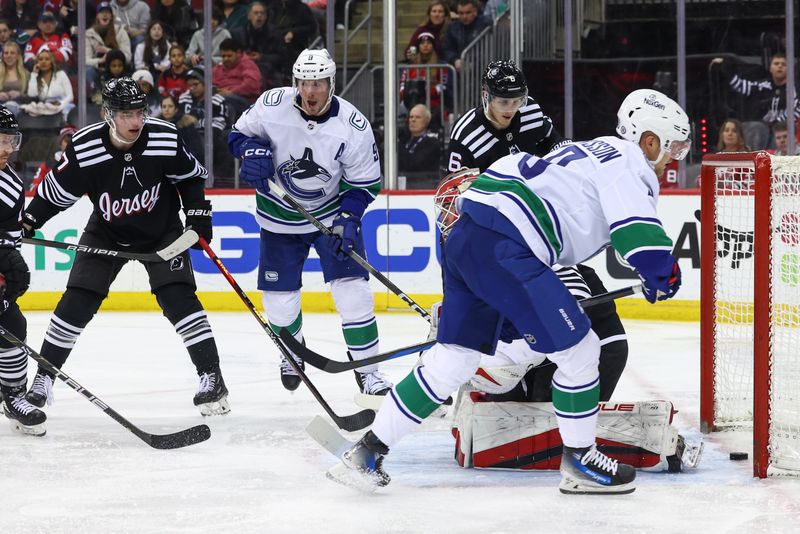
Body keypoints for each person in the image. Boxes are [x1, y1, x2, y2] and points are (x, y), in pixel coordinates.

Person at [327, 88, 690, 495]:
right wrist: (663, 272)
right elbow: (636, 231)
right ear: (649, 140)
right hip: (508, 245)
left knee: (453, 360)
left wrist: (649, 269)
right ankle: (580, 462)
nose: (674, 158)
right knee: (582, 350)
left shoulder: (593, 149)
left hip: (468, 233)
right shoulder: (628, 162)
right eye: (673, 146)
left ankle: (367, 451)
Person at [22, 77, 230, 417]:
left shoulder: (164, 137)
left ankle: (212, 376)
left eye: (139, 112)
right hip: (106, 231)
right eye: (126, 114)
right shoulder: (85, 147)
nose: (136, 122)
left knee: (178, 298)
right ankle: (43, 379)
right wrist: (29, 220)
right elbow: (55, 192)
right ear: (108, 114)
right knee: (77, 301)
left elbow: (190, 176)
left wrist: (196, 215)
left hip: (162, 232)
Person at [445, 61, 628, 410]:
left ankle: (567, 409)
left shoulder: (532, 114)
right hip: (504, 240)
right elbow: (455, 200)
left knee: (603, 340)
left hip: (546, 232)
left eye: (518, 100)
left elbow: (559, 156)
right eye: (503, 102)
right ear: (486, 97)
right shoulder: (466, 136)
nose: (512, 109)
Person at [227, 48, 392, 396]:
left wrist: (349, 218)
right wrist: (250, 152)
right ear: (295, 83)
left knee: (354, 294)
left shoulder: (353, 125)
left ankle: (368, 371)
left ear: (331, 83)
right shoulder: (272, 105)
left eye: (318, 83)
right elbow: (236, 135)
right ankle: (293, 352)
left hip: (330, 218)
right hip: (278, 216)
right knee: (279, 302)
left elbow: (364, 183)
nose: (311, 91)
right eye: (304, 82)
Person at [0, 104, 42, 436]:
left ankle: (13, 394)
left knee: (12, 321)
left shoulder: (12, 185)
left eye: (10, 141)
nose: (5, 150)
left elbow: (8, 240)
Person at [710, 53, 799, 150]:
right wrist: (726, 65)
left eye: (783, 64)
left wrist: (778, 121)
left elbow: (797, 111)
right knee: (755, 127)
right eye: (776, 63)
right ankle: (752, 159)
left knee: (780, 131)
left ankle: (780, 160)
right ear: (770, 68)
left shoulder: (796, 88)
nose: (780, 66)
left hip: (787, 127)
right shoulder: (764, 85)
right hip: (765, 126)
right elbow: (740, 86)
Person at [178, 65, 233, 180]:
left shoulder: (217, 99)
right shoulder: (184, 98)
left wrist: (195, 121)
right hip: (189, 137)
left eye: (196, 84)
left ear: (205, 83)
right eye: (190, 85)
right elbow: (182, 122)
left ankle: (220, 177)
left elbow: (218, 126)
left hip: (213, 139)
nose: (192, 88)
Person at [230, 1, 285, 91]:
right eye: (256, 13)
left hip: (267, 70)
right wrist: (245, 57)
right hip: (242, 68)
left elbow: (281, 57)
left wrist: (261, 57)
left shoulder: (275, 33)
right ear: (249, 16)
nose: (259, 16)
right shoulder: (237, 34)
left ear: (266, 16)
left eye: (262, 13)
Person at [86, 2, 132, 98]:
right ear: (97, 16)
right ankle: (95, 96)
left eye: (107, 12)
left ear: (111, 16)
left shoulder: (120, 31)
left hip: (117, 68)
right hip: (99, 69)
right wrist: (100, 61)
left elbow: (127, 57)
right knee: (88, 71)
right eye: (102, 12)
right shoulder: (89, 34)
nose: (105, 14)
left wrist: (110, 53)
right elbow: (85, 60)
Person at [400, 31, 448, 120]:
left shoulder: (440, 65)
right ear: (418, 46)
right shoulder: (410, 66)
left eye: (428, 43)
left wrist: (429, 91)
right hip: (412, 102)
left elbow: (443, 85)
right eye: (422, 43)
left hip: (433, 102)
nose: (425, 46)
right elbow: (402, 85)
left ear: (433, 46)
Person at [398, 103, 442, 189]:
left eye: (417, 117)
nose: (413, 120)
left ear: (427, 120)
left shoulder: (433, 144)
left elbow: (413, 165)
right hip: (402, 187)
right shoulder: (404, 141)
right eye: (411, 117)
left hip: (424, 189)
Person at [22, 48, 74, 121]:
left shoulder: (61, 75)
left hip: (63, 106)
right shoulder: (35, 78)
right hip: (46, 108)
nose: (43, 62)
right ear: (37, 62)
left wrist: (60, 104)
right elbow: (31, 94)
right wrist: (34, 74)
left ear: (52, 62)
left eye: (47, 59)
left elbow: (70, 96)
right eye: (40, 59)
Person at [441, 0, 490, 73]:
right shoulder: (452, 27)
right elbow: (447, 48)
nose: (464, 16)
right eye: (461, 13)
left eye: (468, 12)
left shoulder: (485, 24)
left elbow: (488, 49)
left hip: (483, 71)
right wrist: (455, 59)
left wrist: (473, 65)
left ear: (475, 12)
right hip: (460, 73)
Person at [213, 38, 262, 108]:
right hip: (220, 97)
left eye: (229, 56)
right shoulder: (219, 68)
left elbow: (251, 85)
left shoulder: (248, 64)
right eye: (223, 56)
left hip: (244, 101)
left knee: (225, 100)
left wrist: (231, 92)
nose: (226, 59)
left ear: (238, 53)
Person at [158, 93, 202, 162]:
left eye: (170, 106)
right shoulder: (155, 126)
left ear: (176, 109)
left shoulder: (187, 125)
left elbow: (196, 150)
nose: (167, 109)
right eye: (164, 107)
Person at [0, 41, 29, 116]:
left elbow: (33, 97)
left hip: (21, 108)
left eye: (12, 53)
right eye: (6, 53)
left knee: (10, 108)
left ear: (18, 56)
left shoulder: (26, 74)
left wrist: (20, 95)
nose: (9, 56)